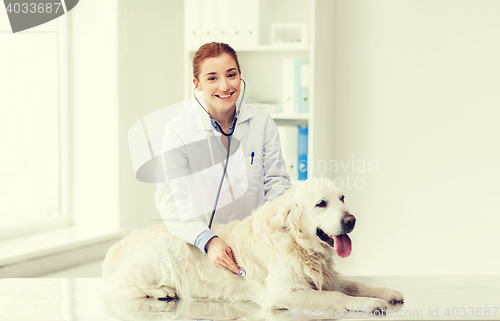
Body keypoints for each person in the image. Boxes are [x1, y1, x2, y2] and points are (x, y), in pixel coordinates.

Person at [155, 42, 292, 275]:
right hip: (205, 250)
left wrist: (281, 228)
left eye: (231, 75)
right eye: (212, 78)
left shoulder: (262, 123)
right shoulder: (178, 130)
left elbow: (277, 184)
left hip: (258, 245)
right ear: (196, 84)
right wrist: (207, 240)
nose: (225, 85)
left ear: (240, 76)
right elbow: (170, 199)